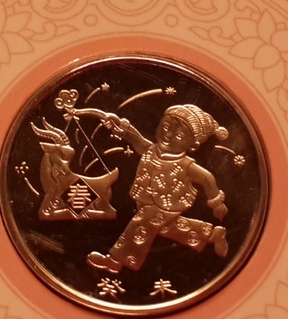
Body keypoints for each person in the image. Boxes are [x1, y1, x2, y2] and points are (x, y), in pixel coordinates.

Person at [87, 104, 230, 273]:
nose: (168, 135)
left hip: (167, 204)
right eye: (166, 126)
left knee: (141, 224)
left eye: (179, 135)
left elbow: (207, 178)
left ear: (193, 146)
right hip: (144, 200)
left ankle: (115, 261)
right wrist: (120, 126)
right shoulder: (150, 150)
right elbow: (136, 138)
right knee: (167, 228)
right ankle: (212, 235)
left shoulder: (186, 166)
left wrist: (217, 203)